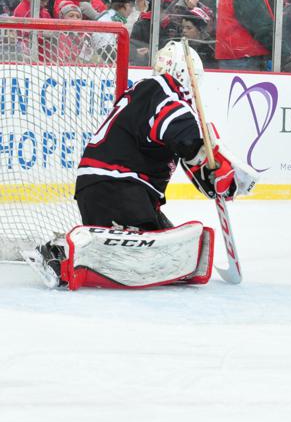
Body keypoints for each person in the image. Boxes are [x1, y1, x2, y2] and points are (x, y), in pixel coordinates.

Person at [28, 42, 257, 289]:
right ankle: (61, 253)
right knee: (149, 257)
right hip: (118, 186)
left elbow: (187, 151)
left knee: (172, 254)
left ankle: (80, 247)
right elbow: (186, 140)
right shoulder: (166, 92)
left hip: (112, 187)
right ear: (184, 73)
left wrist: (212, 175)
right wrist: (207, 159)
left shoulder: (147, 93)